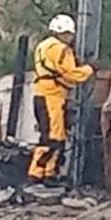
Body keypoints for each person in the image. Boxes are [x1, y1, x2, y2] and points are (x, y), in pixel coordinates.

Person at [28, 14, 94, 183]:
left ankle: (47, 172)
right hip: (53, 97)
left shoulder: (42, 46)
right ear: (65, 33)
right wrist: (88, 69)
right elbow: (72, 75)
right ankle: (38, 172)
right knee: (53, 137)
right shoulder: (62, 49)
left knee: (50, 135)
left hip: (41, 94)